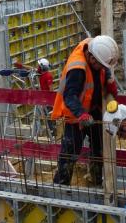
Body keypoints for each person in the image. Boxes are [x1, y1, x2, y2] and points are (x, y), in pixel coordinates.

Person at [51, 36, 120, 186]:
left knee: (99, 148)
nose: (102, 68)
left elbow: (105, 66)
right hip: (76, 113)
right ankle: (61, 185)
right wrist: (81, 114)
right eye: (101, 66)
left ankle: (95, 180)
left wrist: (109, 79)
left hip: (94, 109)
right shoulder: (77, 68)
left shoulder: (96, 46)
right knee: (71, 151)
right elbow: (69, 96)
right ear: (91, 57)